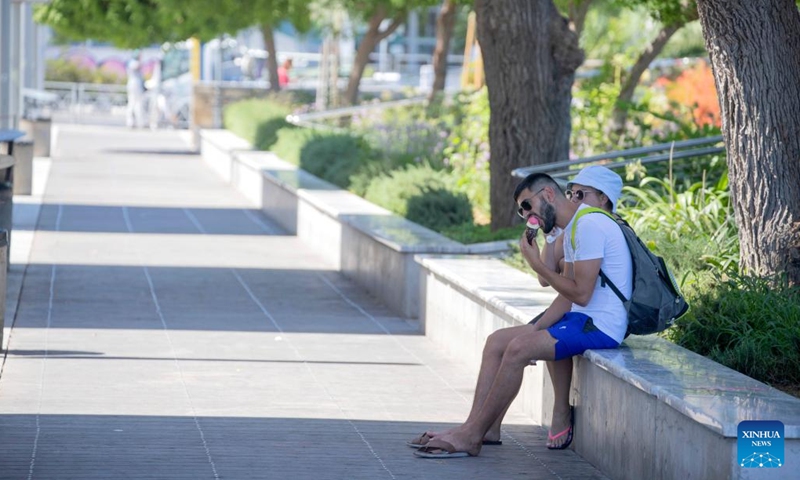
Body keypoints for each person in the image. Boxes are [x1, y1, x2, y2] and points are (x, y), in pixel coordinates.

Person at [411, 166, 631, 458]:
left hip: (599, 324)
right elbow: (567, 295)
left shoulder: (591, 226)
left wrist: (536, 264)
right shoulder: (576, 228)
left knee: (518, 349)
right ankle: (482, 428)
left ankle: (471, 436)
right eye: (522, 212)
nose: (528, 216)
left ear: (547, 194)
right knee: (497, 342)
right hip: (580, 316)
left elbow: (580, 293)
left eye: (528, 206)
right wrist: (536, 328)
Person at [126, 50, 145, 128]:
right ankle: (132, 122)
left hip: (135, 85)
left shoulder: (132, 62)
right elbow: (138, 66)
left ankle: (137, 122)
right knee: (134, 104)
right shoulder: (133, 63)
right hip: (135, 85)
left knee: (135, 104)